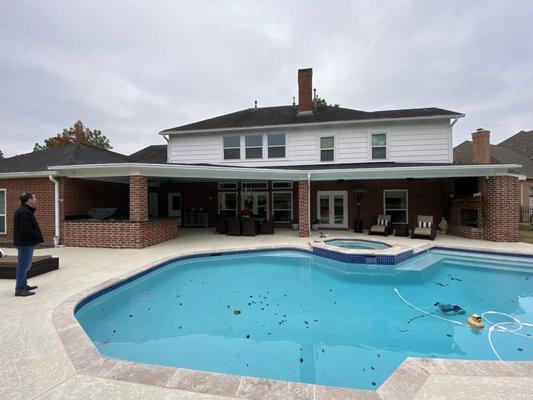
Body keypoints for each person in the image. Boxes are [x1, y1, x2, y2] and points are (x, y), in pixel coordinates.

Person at [13, 192, 43, 297]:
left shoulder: (24, 210)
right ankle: (20, 289)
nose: (36, 200)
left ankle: (23, 285)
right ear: (29, 200)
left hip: (24, 242)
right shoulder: (24, 212)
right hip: (25, 243)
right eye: (34, 198)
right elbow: (25, 228)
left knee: (25, 265)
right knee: (23, 266)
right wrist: (36, 236)